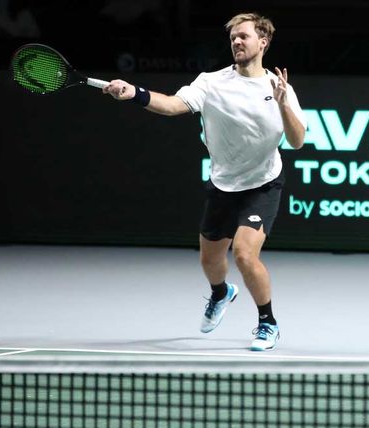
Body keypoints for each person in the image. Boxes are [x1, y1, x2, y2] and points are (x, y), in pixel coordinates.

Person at [102, 12, 306, 351]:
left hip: (263, 184)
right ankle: (221, 293)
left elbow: (297, 141)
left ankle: (267, 323)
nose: (237, 42)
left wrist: (284, 105)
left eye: (244, 36)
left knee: (243, 254)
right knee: (210, 261)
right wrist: (134, 93)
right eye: (233, 38)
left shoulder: (279, 87)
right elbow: (171, 106)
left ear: (263, 42)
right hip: (224, 184)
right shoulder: (211, 83)